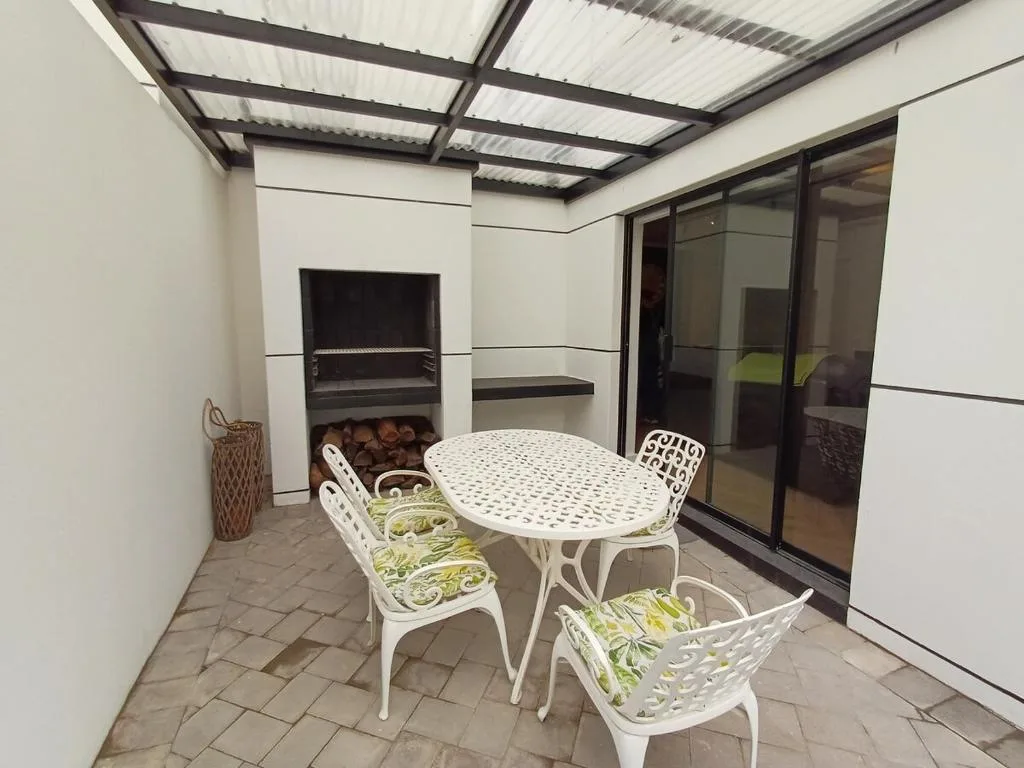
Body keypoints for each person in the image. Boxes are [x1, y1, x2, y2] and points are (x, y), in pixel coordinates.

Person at [637, 262, 665, 425]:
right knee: (651, 381)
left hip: (647, 350)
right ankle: (650, 412)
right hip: (650, 350)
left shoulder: (644, 307)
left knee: (648, 380)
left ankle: (649, 412)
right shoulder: (655, 308)